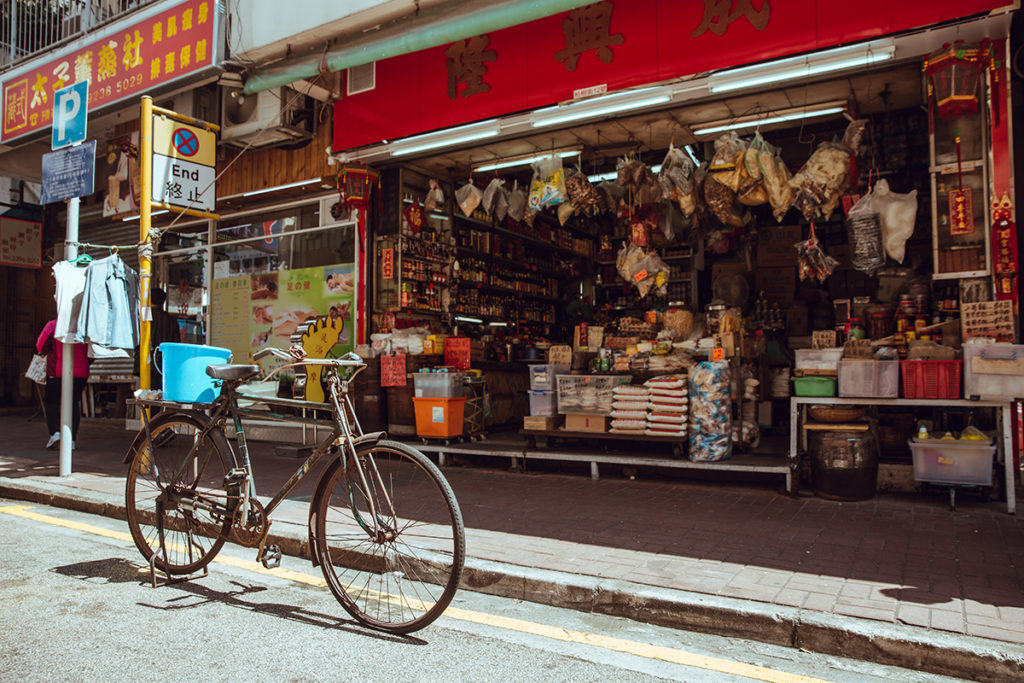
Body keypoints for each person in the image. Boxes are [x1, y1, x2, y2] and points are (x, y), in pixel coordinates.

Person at [36, 318, 90, 450]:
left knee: (52, 401)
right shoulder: (84, 324)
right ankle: (71, 439)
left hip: (57, 371)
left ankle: (56, 433)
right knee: (73, 403)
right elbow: (91, 351)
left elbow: (41, 346)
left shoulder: (54, 324)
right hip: (80, 372)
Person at [150, 287, 180, 390]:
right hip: (165, 363)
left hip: (147, 364)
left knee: (146, 395)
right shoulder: (172, 321)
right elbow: (177, 343)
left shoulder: (144, 320)